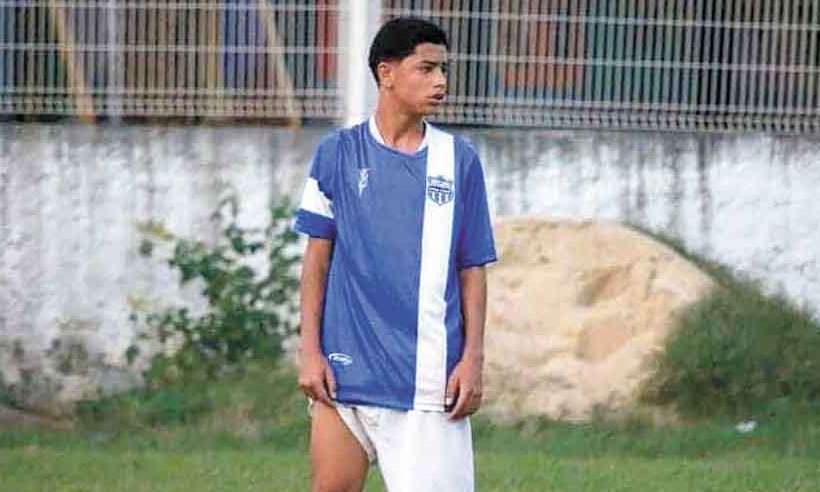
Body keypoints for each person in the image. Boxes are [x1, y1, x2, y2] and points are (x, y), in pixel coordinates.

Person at [292, 16, 497, 492]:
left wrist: (473, 358)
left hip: (425, 382)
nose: (441, 81)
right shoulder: (337, 153)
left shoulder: (458, 160)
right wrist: (310, 350)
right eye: (426, 69)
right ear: (386, 73)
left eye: (443, 69)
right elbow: (317, 261)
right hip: (344, 374)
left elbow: (472, 267)